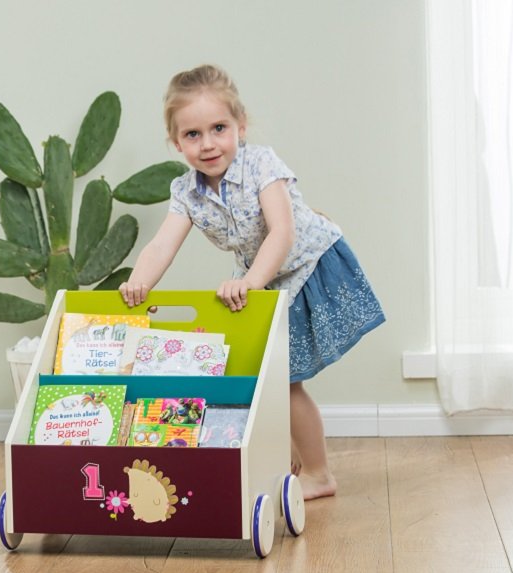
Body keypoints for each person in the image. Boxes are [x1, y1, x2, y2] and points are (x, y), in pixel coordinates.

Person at [119, 64, 385, 500]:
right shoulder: (187, 192)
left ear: (240, 126)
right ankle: (286, 460)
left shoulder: (261, 163)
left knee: (285, 379)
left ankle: (318, 472)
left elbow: (282, 231)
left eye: (219, 128)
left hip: (306, 267)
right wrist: (138, 283)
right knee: (260, 375)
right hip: (262, 278)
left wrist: (253, 283)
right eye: (192, 135)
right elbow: (162, 246)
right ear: (175, 142)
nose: (208, 144)